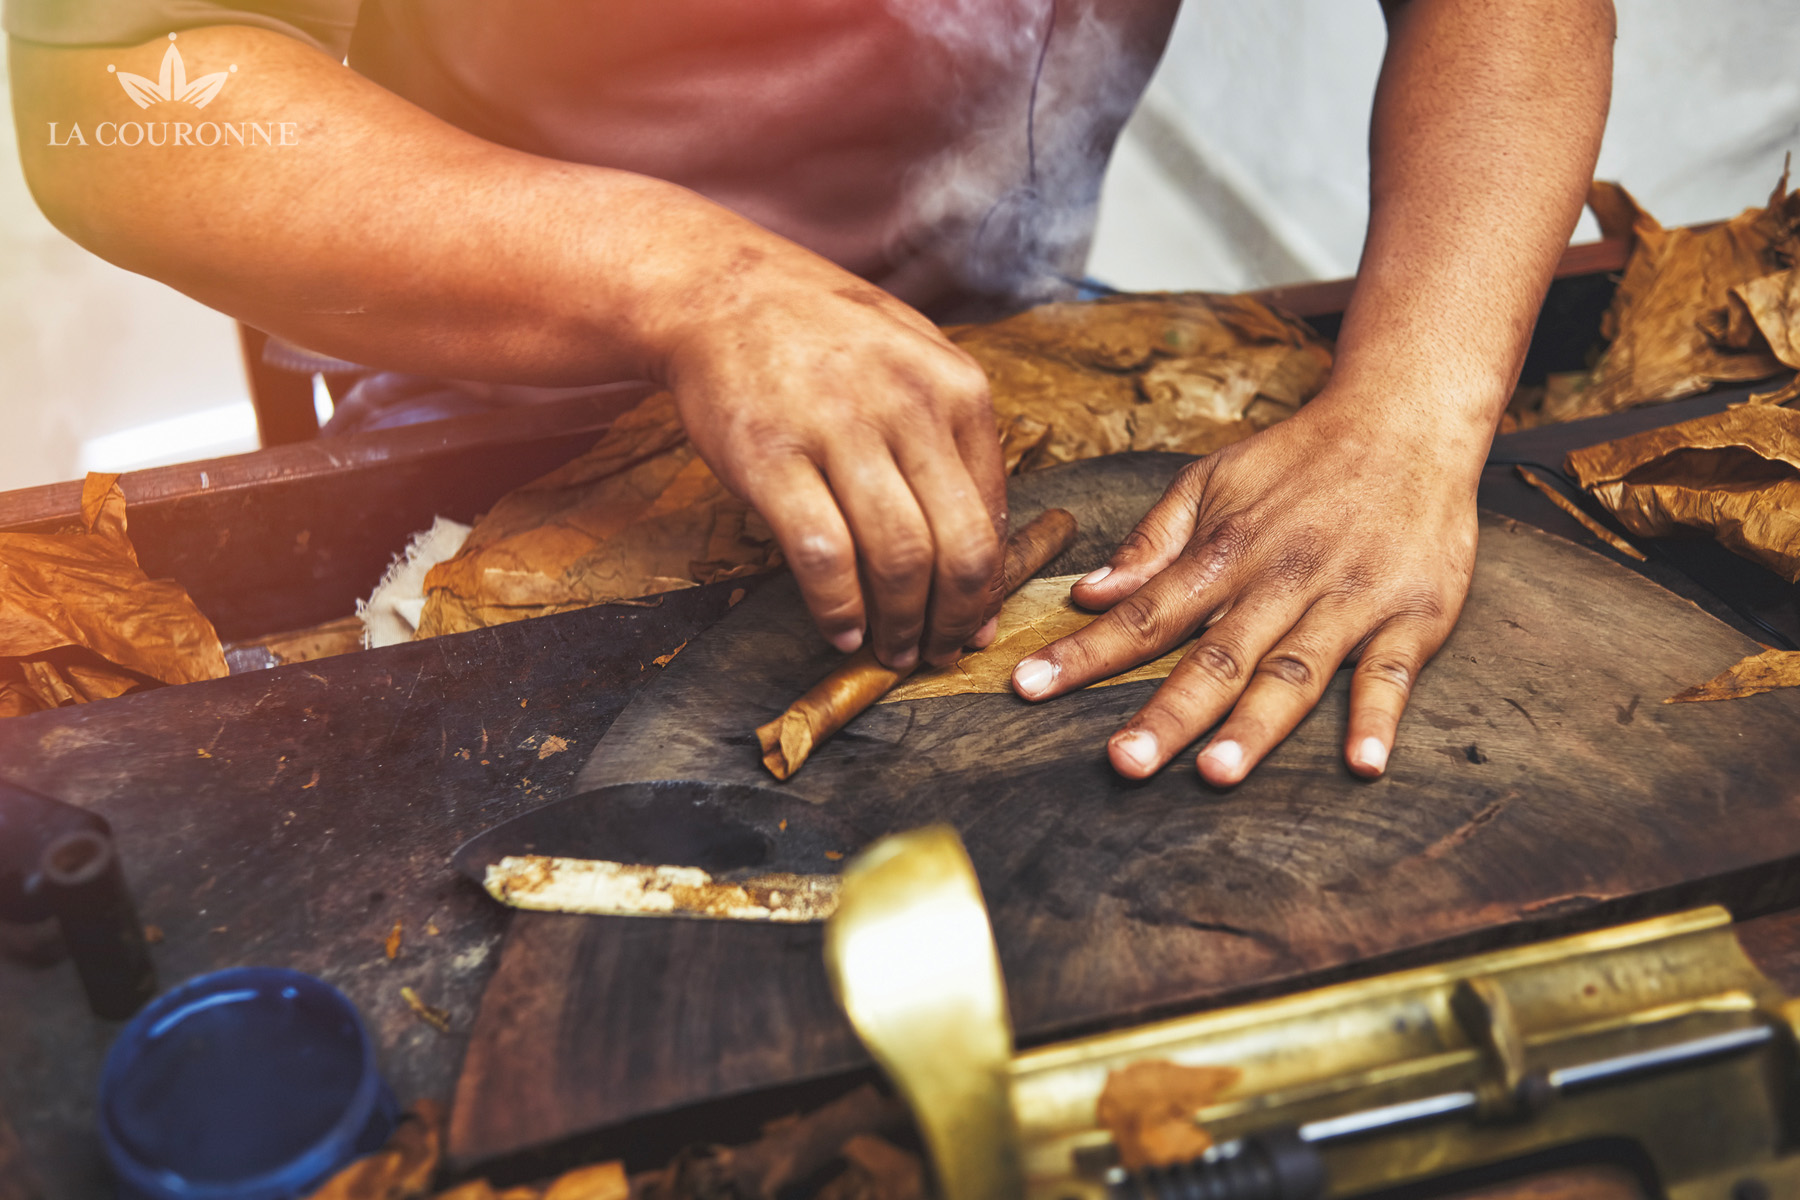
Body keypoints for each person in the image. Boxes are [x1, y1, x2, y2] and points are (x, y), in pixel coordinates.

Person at [8, 0, 1615, 785]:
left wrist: (1416, 403)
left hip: (1016, 331)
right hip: (501, 357)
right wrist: (687, 281)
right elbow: (107, 106)